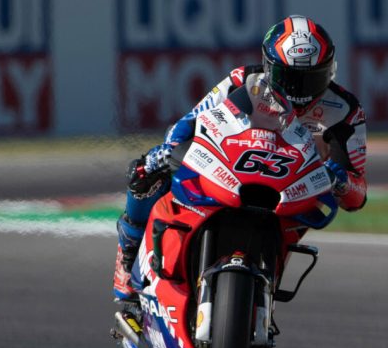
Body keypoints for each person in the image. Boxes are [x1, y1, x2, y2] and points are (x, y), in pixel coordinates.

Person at [112, 15, 368, 301]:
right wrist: (169, 148)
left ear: (330, 71)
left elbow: (358, 194)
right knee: (145, 173)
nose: (299, 92)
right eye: (289, 78)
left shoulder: (346, 110)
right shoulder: (242, 80)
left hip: (291, 195)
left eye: (311, 79)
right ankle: (127, 260)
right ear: (269, 67)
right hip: (232, 172)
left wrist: (341, 180)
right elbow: (190, 122)